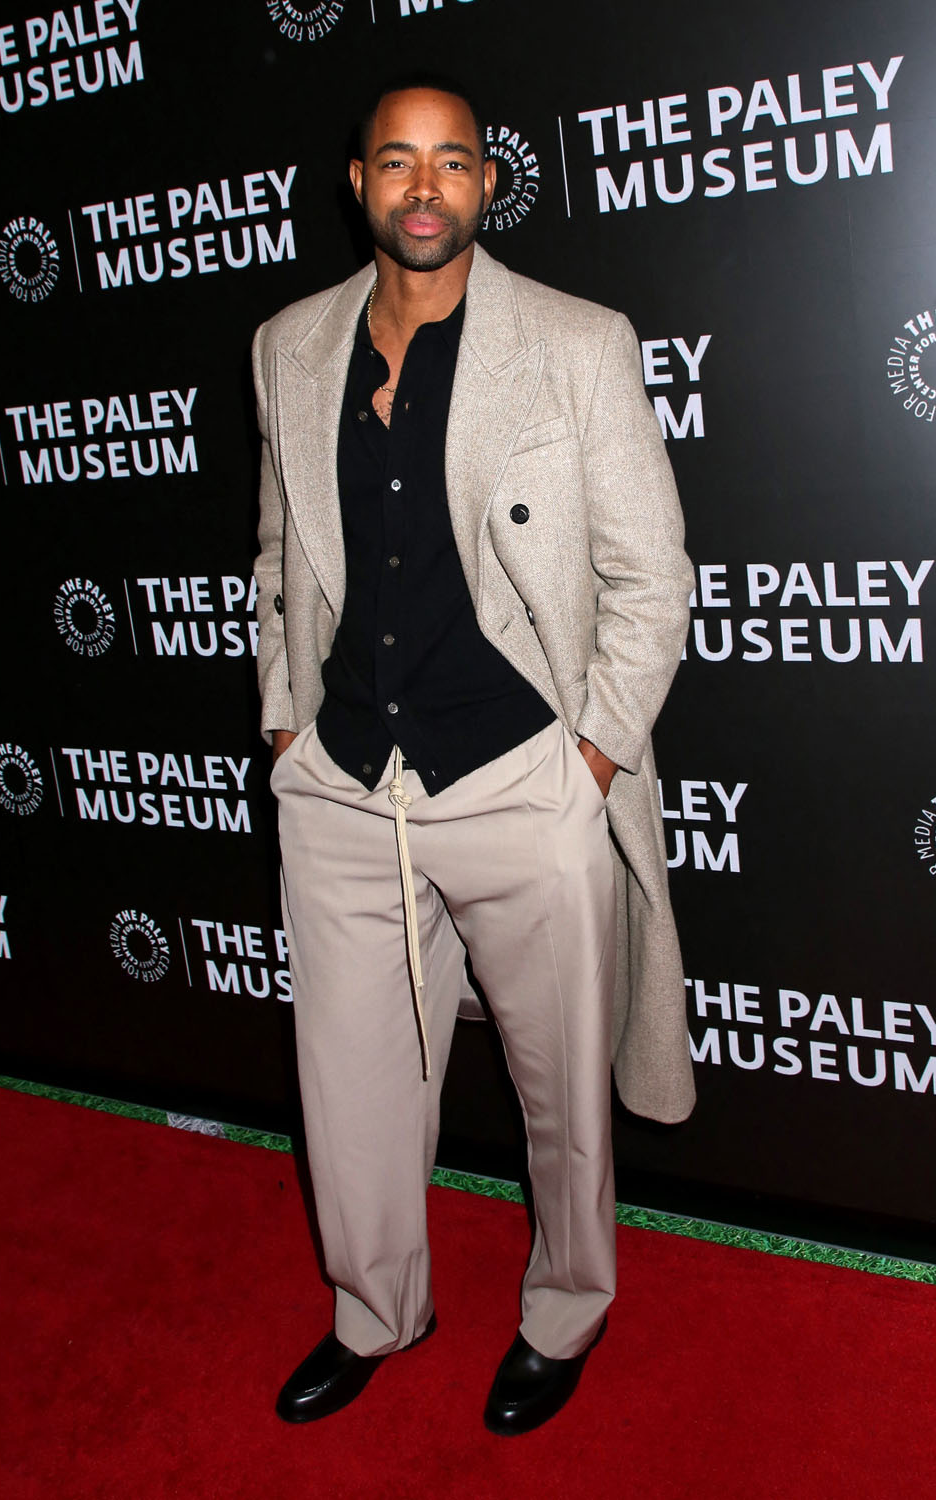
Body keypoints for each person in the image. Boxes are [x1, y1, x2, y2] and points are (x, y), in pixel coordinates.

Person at [252, 74, 695, 1436]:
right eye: (398, 161)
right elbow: (277, 555)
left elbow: (652, 578)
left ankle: (565, 1311)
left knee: (561, 1095)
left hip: (522, 778)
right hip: (341, 781)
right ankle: (375, 1308)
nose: (426, 186)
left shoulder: (575, 340)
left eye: (453, 161)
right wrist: (284, 720)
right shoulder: (290, 344)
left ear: (488, 184)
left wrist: (590, 762)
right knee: (352, 1086)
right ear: (359, 186)